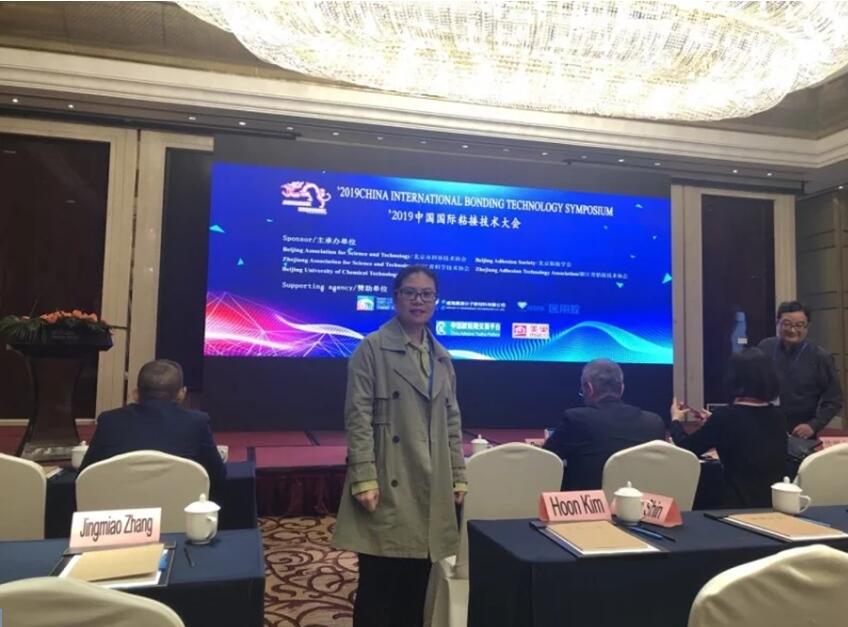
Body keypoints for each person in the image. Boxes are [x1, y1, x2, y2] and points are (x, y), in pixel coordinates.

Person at [332, 265, 466, 627]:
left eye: (427, 294)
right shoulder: (372, 348)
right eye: (410, 292)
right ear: (395, 298)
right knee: (379, 587)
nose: (418, 301)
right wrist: (364, 477)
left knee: (417, 587)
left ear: (436, 301)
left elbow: (452, 420)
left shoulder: (441, 357)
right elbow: (357, 417)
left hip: (431, 481)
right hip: (389, 479)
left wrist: (458, 475)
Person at [79, 360, 226, 496]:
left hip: (118, 511)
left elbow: (85, 475)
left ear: (136, 394)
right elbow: (217, 475)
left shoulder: (109, 421)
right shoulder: (196, 423)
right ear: (182, 394)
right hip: (179, 512)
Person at [670, 348, 787, 508]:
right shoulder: (778, 416)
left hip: (737, 506)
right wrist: (714, 421)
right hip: (773, 504)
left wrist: (675, 420)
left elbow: (686, 449)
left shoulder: (725, 417)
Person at [543, 358, 666, 491]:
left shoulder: (576, 420)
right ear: (622, 388)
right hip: (639, 502)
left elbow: (544, 460)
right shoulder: (654, 423)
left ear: (589, 388)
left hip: (590, 503)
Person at [757, 300, 843, 439]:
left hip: (800, 432)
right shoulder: (765, 348)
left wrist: (813, 425)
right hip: (765, 427)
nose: (792, 330)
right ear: (777, 322)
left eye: (799, 325)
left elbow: (834, 400)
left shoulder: (820, 357)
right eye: (787, 324)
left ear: (807, 326)